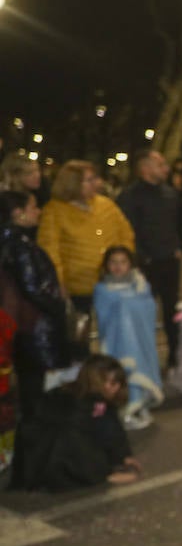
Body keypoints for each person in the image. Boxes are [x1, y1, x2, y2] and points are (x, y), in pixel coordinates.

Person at [0, 189, 70, 485]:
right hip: (31, 328)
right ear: (18, 213)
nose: (38, 211)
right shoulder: (21, 244)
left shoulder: (9, 242)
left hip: (13, 328)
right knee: (33, 395)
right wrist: (58, 304)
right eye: (32, 207)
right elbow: (33, 287)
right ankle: (32, 464)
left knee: (21, 392)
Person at [11, 354, 143, 492]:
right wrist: (106, 474)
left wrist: (123, 455)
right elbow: (78, 444)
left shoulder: (95, 401)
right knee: (75, 439)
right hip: (42, 456)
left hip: (48, 448)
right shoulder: (77, 405)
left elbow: (110, 429)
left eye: (117, 382)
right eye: (108, 382)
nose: (114, 388)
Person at [37, 160, 136, 315]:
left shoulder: (106, 205)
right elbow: (49, 251)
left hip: (112, 282)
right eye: (89, 180)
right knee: (80, 332)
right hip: (78, 287)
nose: (96, 183)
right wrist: (59, 282)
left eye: (95, 179)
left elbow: (126, 233)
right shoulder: (54, 211)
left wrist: (123, 262)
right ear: (73, 183)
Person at [117, 149, 182, 365]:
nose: (165, 169)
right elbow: (127, 229)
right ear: (145, 169)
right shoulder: (130, 196)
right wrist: (141, 257)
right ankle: (144, 358)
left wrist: (178, 246)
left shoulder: (170, 193)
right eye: (160, 165)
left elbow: (179, 223)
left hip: (169, 260)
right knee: (144, 312)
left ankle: (176, 355)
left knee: (172, 309)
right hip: (145, 265)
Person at [93, 246, 163, 430]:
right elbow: (105, 314)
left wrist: (131, 304)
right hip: (118, 342)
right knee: (124, 373)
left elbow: (149, 308)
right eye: (113, 262)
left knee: (143, 369)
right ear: (106, 265)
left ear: (130, 264)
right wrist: (127, 306)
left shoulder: (140, 285)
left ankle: (141, 405)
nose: (118, 266)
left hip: (141, 340)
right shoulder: (103, 289)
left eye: (123, 262)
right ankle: (128, 410)